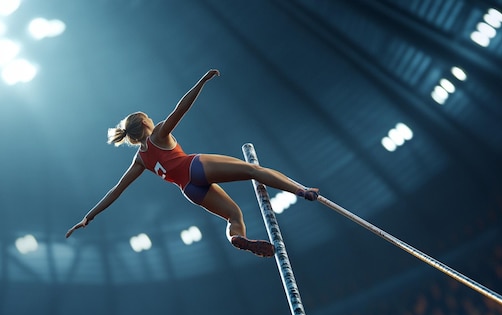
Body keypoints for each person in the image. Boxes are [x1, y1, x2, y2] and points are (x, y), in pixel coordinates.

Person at [65, 69, 318, 257]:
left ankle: (238, 239)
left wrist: (88, 217)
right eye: (149, 118)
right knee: (254, 170)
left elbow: (116, 190)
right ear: (145, 124)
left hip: (189, 190)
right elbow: (180, 109)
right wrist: (202, 82)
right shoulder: (158, 134)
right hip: (195, 167)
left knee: (233, 216)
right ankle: (301, 190)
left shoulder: (140, 159)